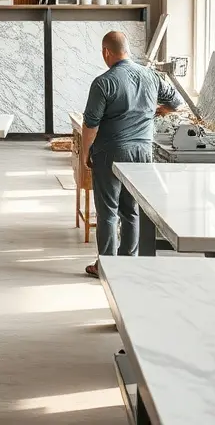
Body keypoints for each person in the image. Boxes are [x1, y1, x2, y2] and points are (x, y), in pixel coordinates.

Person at [81, 31, 183, 277]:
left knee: (108, 212)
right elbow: (176, 102)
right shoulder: (151, 76)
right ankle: (129, 263)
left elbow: (91, 124)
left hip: (111, 152)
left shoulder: (103, 82)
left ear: (106, 52)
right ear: (127, 50)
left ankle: (106, 266)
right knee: (131, 209)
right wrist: (159, 110)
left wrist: (85, 153)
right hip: (142, 152)